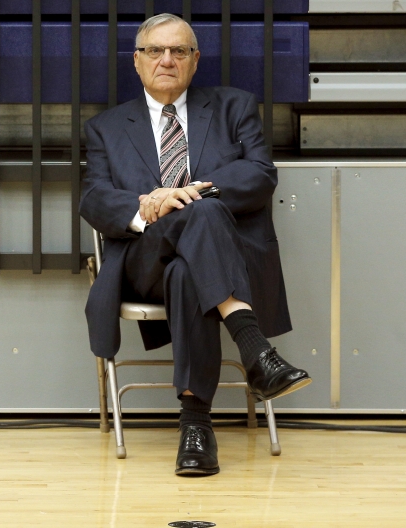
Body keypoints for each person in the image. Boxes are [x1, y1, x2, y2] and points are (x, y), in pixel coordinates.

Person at [79, 13, 310, 476]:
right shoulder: (106, 127)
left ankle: (195, 426)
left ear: (195, 60)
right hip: (144, 260)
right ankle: (254, 349)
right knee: (197, 215)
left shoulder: (234, 107)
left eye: (179, 51)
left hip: (208, 265)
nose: (167, 60)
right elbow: (94, 196)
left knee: (189, 264)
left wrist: (191, 191)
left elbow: (260, 175)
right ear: (137, 61)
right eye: (155, 51)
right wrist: (150, 207)